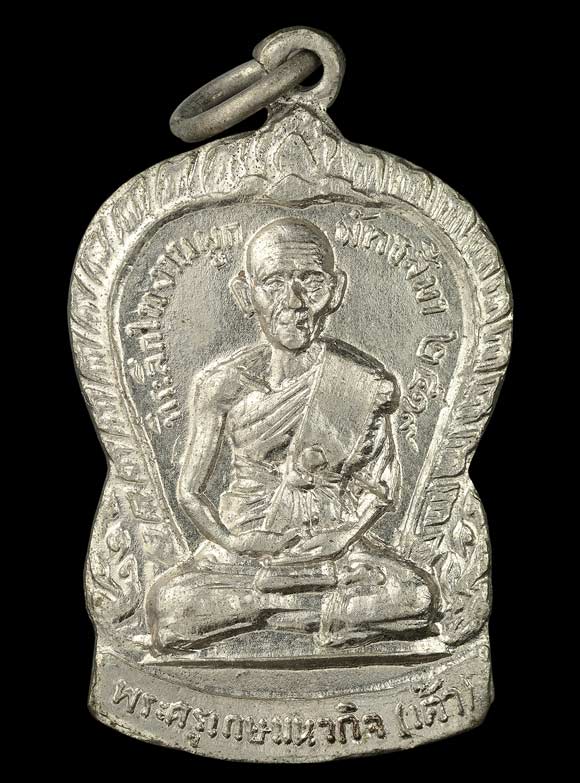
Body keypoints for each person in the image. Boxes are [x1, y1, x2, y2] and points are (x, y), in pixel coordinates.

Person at [146, 217, 438, 653]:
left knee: (415, 596)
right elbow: (189, 491)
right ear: (245, 293)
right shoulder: (221, 385)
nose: (295, 301)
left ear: (335, 291)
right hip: (244, 553)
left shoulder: (361, 380)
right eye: (274, 283)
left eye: (311, 282)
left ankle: (269, 611)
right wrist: (234, 541)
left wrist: (343, 537)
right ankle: (310, 614)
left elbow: (380, 487)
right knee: (171, 607)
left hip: (335, 552)